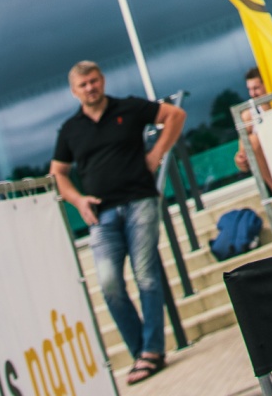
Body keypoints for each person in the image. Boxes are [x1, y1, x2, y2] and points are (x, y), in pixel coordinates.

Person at [51, 62, 186, 384]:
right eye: (83, 84)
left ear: (102, 80)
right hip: (101, 215)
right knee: (109, 284)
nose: (90, 88)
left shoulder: (129, 107)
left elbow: (175, 115)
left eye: (93, 81)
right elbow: (58, 174)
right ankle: (142, 351)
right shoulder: (70, 129)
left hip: (140, 201)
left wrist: (157, 154)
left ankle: (151, 351)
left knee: (146, 275)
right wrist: (78, 200)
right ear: (74, 91)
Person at [234, 66, 272, 195]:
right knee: (252, 141)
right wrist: (240, 159)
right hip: (271, 170)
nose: (252, 94)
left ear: (267, 84)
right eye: (250, 89)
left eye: (256, 88)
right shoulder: (248, 116)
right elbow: (243, 154)